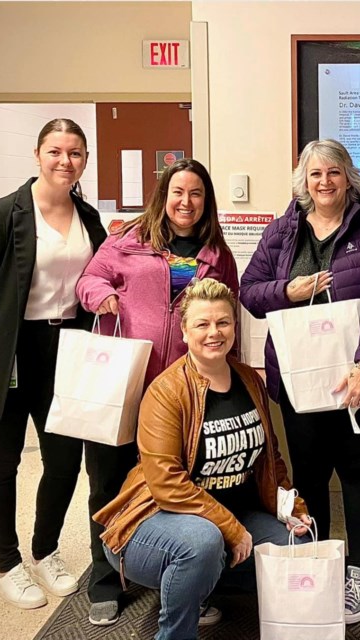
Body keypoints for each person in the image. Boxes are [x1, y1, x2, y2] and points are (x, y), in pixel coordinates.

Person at [239, 139, 360, 623]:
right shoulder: (281, 231)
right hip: (297, 380)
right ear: (303, 181)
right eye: (315, 175)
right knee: (310, 477)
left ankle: (357, 572)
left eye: (334, 172)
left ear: (348, 177)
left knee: (357, 472)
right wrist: (285, 290)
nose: (325, 182)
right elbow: (249, 293)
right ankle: (322, 564)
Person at [95, 278, 312, 640]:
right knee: (203, 543)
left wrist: (293, 507)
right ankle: (176, 630)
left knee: (296, 547)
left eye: (223, 322)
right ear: (184, 330)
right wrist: (231, 528)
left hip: (228, 517)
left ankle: (199, 587)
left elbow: (269, 459)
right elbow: (167, 485)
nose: (215, 332)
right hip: (152, 524)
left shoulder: (248, 380)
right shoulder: (166, 392)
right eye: (202, 324)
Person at [0, 118, 107, 609]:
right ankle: (7, 563)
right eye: (56, 151)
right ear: (38, 155)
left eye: (76, 153)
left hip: (68, 350)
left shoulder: (88, 216)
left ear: (85, 159)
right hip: (7, 353)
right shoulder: (5, 214)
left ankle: (46, 550)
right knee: (1, 462)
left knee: (63, 462)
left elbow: (102, 275)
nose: (66, 161)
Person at [76, 158, 239, 626]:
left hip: (183, 393)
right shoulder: (128, 238)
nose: (185, 202)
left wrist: (230, 375)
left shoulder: (216, 252)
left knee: (179, 486)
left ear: (206, 202)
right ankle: (105, 581)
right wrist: (98, 296)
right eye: (177, 192)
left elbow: (228, 314)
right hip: (125, 384)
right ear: (163, 196)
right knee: (109, 483)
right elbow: (89, 278)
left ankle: (186, 582)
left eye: (196, 194)